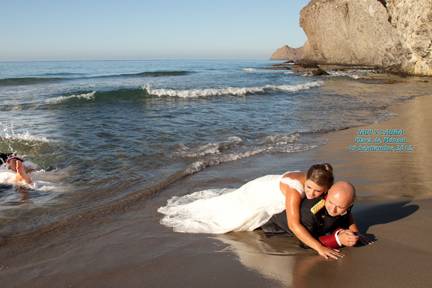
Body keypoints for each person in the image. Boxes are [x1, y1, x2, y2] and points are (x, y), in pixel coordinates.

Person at [158, 163, 338, 258]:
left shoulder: (315, 176)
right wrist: (319, 247)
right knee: (227, 219)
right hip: (257, 195)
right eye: (309, 187)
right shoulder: (294, 192)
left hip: (264, 183)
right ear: (306, 178)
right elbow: (294, 224)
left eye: (318, 191)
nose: (312, 193)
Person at [261, 181, 361, 257]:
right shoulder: (311, 211)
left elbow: (347, 214)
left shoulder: (344, 203)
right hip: (275, 226)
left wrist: (355, 232)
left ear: (349, 204)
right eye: (330, 202)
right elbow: (306, 242)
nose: (333, 209)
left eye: (340, 207)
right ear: (328, 193)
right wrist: (337, 240)